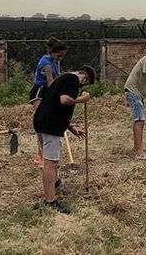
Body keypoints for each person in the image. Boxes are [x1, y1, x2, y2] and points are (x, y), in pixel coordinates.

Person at [32, 66, 95, 214]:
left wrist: (71, 127)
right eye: (85, 83)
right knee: (50, 164)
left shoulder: (63, 78)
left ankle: (55, 185)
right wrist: (82, 99)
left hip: (45, 121)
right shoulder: (73, 79)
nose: (81, 86)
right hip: (50, 125)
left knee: (50, 162)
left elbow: (55, 105)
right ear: (84, 77)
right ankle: (50, 201)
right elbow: (64, 100)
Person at [30, 38, 68, 165]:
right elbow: (51, 83)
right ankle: (41, 153)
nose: (61, 58)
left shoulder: (55, 61)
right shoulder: (46, 63)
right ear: (52, 52)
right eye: (59, 55)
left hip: (49, 91)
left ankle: (47, 151)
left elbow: (58, 78)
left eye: (63, 56)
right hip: (39, 92)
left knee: (48, 120)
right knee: (41, 121)